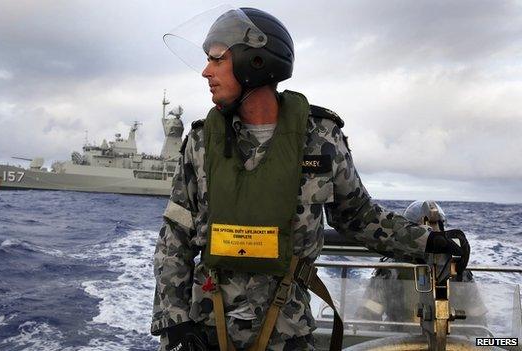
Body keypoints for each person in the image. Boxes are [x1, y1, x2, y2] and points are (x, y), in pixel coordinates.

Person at [152, 6, 469, 351]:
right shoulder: (200, 142)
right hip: (207, 331)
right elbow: (175, 238)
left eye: (216, 60)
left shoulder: (321, 137)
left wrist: (425, 243)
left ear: (254, 61)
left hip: (286, 331)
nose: (205, 71)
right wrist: (176, 323)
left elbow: (358, 216)